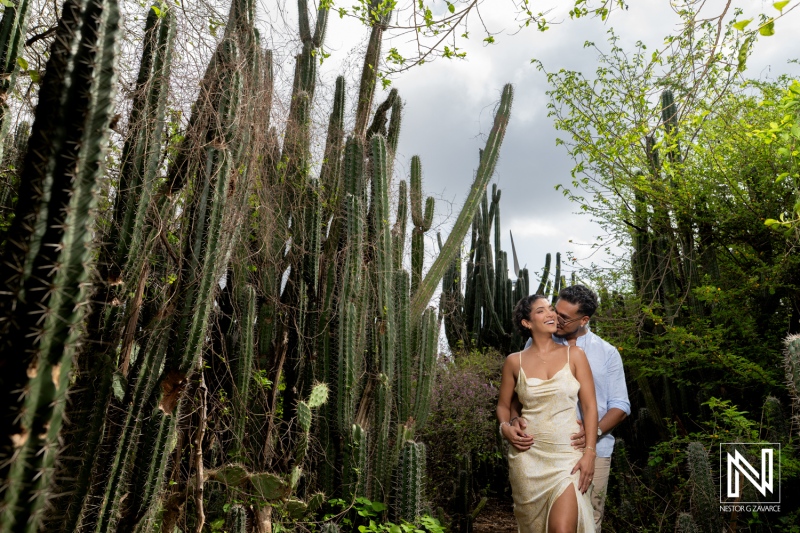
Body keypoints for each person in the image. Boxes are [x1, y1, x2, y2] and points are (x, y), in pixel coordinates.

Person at [507, 285, 630, 532]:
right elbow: (517, 398)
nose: (557, 318)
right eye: (555, 310)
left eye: (565, 317)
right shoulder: (536, 341)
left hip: (589, 450)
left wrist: (592, 436)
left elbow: (621, 405)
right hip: (539, 451)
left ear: (584, 319)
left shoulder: (606, 353)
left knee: (589, 520)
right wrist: (512, 421)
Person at [497, 294, 599, 533]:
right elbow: (504, 405)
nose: (551, 314)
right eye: (541, 311)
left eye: (551, 309)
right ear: (527, 323)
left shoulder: (575, 355)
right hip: (528, 457)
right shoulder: (514, 362)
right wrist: (506, 426)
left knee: (562, 529)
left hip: (567, 456)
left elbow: (589, 407)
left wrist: (590, 452)